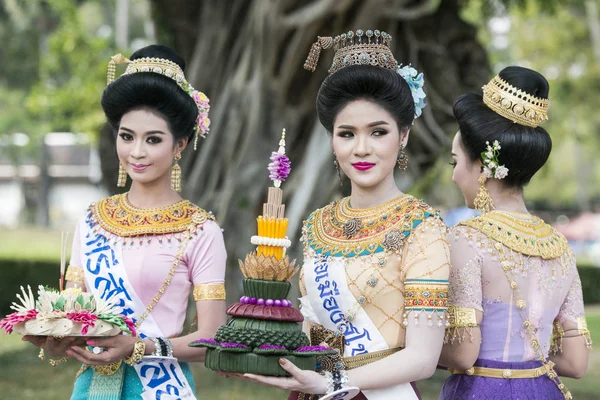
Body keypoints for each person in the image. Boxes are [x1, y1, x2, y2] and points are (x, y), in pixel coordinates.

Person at [243, 29, 451, 400]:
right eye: (347, 133)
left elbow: (423, 357)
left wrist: (334, 383)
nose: (362, 148)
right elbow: (311, 329)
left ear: (403, 135)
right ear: (331, 139)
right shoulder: (318, 224)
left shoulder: (423, 227)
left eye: (378, 131)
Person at [23, 44, 227, 399]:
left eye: (153, 140)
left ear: (180, 144)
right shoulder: (92, 220)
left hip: (162, 389)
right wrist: (56, 341)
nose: (136, 152)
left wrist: (139, 346)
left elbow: (213, 340)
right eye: (127, 136)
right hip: (92, 388)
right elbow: (75, 311)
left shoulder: (200, 230)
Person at [439, 66, 591, 400]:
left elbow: (463, 352)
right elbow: (577, 362)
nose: (453, 176)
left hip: (482, 390)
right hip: (544, 388)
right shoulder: (559, 246)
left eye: (455, 163)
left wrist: (406, 345)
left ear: (481, 167)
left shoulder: (467, 238)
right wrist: (526, 367)